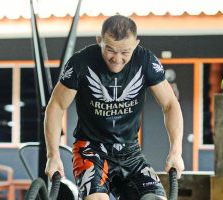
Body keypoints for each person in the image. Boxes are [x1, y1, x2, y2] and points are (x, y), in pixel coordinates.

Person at [44, 14, 184, 200]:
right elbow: (56, 106)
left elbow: (170, 104)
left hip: (130, 151)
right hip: (90, 149)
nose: (117, 59)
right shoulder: (81, 63)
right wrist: (53, 155)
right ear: (99, 40)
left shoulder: (145, 61)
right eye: (110, 50)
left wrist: (176, 151)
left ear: (136, 44)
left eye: (125, 52)